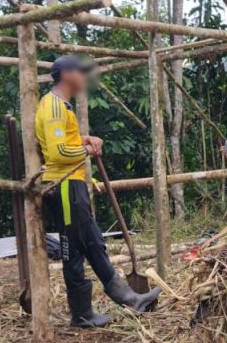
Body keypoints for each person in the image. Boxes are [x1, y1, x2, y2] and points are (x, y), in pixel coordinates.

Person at [36, 55, 160, 328]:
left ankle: (130, 298)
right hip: (65, 185)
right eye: (80, 72)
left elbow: (63, 140)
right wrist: (87, 150)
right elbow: (57, 153)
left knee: (93, 242)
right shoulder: (55, 107)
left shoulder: (60, 105)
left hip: (73, 184)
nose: (84, 77)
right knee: (72, 250)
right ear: (66, 74)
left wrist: (84, 139)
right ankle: (81, 314)